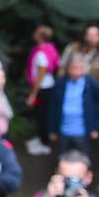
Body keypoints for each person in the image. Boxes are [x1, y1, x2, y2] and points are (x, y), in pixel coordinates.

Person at [58, 26, 99, 115]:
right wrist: (59, 90)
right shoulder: (73, 48)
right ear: (85, 36)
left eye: (95, 35)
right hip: (70, 96)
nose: (91, 38)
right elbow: (61, 69)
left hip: (94, 99)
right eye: (89, 35)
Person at [48, 57, 99, 155]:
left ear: (84, 69)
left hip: (83, 131)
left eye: (78, 68)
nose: (75, 70)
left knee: (83, 160)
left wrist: (96, 128)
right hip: (63, 131)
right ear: (68, 69)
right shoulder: (60, 83)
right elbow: (53, 107)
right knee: (63, 159)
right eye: (73, 67)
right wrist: (52, 130)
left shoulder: (92, 84)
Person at [25, 25, 59, 155]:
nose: (34, 34)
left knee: (42, 116)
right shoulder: (49, 49)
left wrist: (33, 94)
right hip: (45, 87)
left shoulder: (41, 53)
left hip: (43, 89)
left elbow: (41, 73)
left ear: (40, 36)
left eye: (36, 32)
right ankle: (40, 139)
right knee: (41, 115)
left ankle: (44, 144)